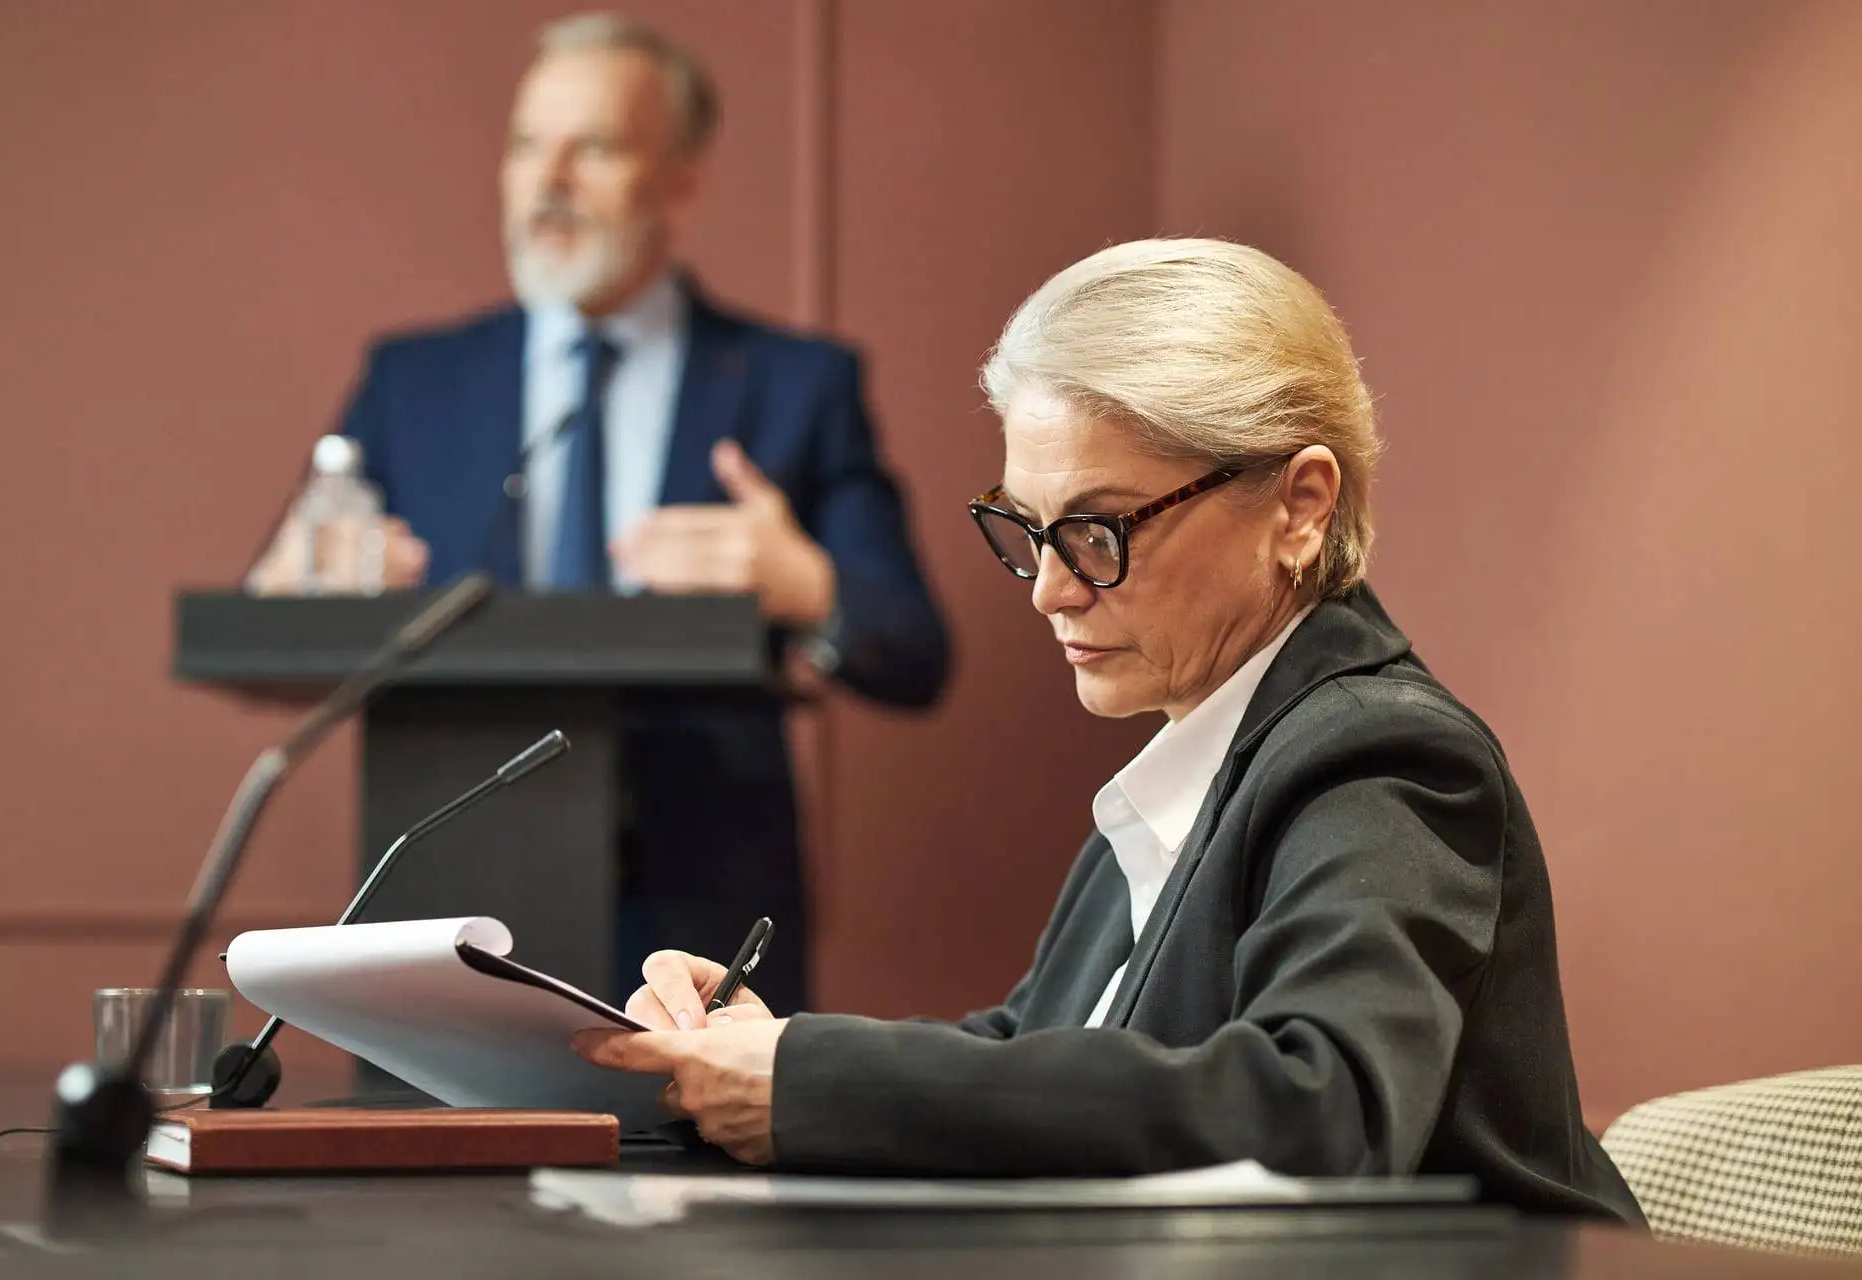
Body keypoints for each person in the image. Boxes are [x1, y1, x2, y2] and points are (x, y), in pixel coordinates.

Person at [577, 238, 1645, 1222]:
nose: (1048, 591)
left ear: (1300, 505)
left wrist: (810, 1082)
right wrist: (770, 1049)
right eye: (1029, 531)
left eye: (1096, 530)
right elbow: (1047, 1051)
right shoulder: (1202, 750)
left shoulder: (1383, 755)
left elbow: (1320, 1108)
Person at [249, 12, 948, 1013]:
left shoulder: (797, 385)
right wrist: (296, 597)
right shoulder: (413, 383)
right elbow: (271, 609)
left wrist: (806, 586)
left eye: (595, 147)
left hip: (702, 905)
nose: (550, 179)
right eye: (528, 145)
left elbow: (915, 651)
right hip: (449, 882)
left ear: (682, 181)